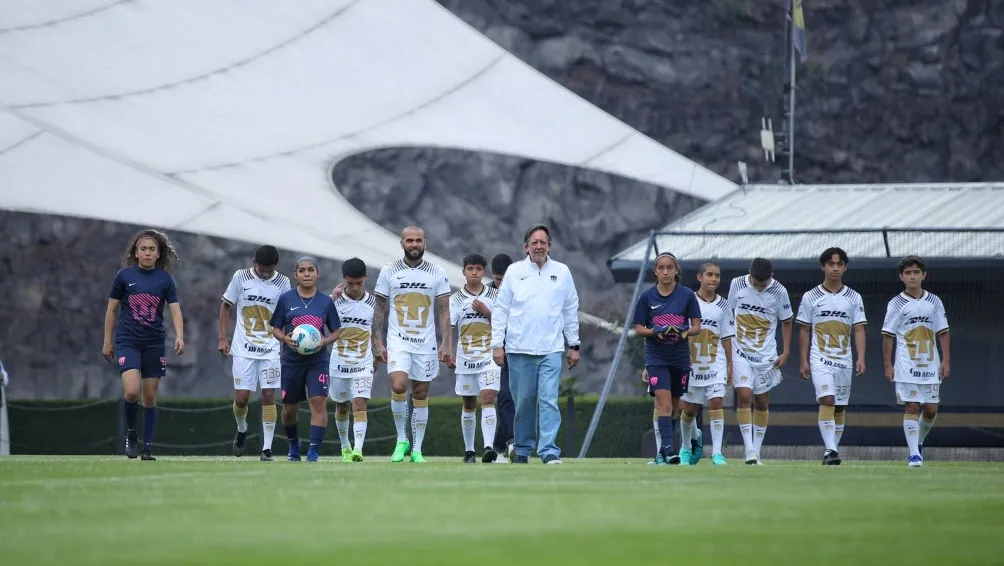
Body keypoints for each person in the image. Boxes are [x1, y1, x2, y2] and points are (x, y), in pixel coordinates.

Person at [492, 224, 580, 465]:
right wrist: (497, 344)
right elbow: (501, 310)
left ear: (549, 246)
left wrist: (574, 344)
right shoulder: (514, 271)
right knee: (524, 402)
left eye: (543, 242)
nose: (539, 246)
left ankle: (549, 450)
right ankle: (522, 450)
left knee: (550, 400)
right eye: (534, 242)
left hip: (551, 348)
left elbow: (570, 309)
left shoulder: (562, 272)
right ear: (526, 247)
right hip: (519, 348)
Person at [102, 229, 185, 461]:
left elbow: (175, 310)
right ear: (136, 253)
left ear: (158, 254)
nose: (147, 253)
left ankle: (147, 447)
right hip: (128, 341)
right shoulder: (124, 276)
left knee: (149, 396)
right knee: (131, 391)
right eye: (143, 249)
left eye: (151, 249)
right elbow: (111, 310)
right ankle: (131, 433)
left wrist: (179, 335)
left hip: (154, 343)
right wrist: (107, 341)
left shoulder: (165, 279)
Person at [372, 226, 452, 463]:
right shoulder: (389, 271)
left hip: (425, 343)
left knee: (420, 392)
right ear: (402, 244)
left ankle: (417, 449)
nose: (414, 244)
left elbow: (445, 310)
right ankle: (401, 439)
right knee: (398, 385)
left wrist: (447, 343)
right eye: (410, 240)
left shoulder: (436, 271)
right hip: (398, 341)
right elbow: (379, 308)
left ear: (424, 242)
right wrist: (377, 340)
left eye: (418, 240)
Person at [218, 245, 291, 462]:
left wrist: (284, 345)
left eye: (270, 269)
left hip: (270, 349)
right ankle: (242, 429)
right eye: (262, 268)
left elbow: (286, 315)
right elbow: (225, 306)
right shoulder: (240, 277)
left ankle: (267, 448)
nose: (266, 273)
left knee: (269, 395)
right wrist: (223, 338)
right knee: (241, 400)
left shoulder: (283, 282)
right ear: (253, 262)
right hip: (243, 349)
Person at [797, 247, 867, 466]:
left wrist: (861, 357)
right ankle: (830, 449)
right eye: (831, 264)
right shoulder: (811, 297)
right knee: (827, 399)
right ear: (823, 267)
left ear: (845, 267)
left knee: (840, 406)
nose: (835, 268)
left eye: (839, 264)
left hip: (844, 360)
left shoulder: (854, 297)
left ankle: (831, 453)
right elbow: (804, 329)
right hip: (820, 358)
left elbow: (858, 329)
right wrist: (803, 361)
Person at [632, 253, 702, 465]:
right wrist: (655, 332)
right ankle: (669, 451)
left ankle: (694, 438)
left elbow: (697, 327)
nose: (665, 272)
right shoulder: (647, 297)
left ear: (676, 271)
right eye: (661, 268)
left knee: (677, 406)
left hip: (679, 358)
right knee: (663, 404)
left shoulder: (687, 295)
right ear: (655, 271)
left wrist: (683, 332)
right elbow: (639, 328)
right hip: (656, 358)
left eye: (669, 268)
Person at [269, 257, 341, 462]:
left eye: (311, 270)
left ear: (317, 274)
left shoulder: (325, 302)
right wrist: (284, 338)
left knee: (318, 402)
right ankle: (293, 444)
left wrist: (324, 342)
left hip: (317, 361)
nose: (307, 274)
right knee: (289, 408)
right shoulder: (286, 299)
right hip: (291, 360)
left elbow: (336, 330)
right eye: (302, 270)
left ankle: (313, 451)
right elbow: (275, 328)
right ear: (296, 275)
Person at [881, 255, 950, 467]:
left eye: (916, 272)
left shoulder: (934, 301)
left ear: (923, 275)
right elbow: (887, 335)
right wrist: (888, 365)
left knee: (930, 409)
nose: (912, 276)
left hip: (930, 364)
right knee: (911, 406)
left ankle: (918, 442)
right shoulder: (896, 303)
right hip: (906, 364)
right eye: (908, 273)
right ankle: (914, 455)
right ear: (902, 276)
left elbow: (944, 332)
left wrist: (946, 360)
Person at [727, 257, 793, 466]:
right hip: (740, 351)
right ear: (749, 273)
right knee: (744, 396)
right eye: (755, 282)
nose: (757, 286)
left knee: (762, 401)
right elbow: (728, 314)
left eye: (761, 284)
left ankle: (757, 449)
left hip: (766, 355)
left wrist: (786, 351)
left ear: (770, 278)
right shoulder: (736, 284)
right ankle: (750, 451)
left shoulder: (779, 291)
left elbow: (787, 321)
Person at [677, 261, 733, 466]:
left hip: (715, 362)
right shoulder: (687, 300)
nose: (714, 279)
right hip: (691, 364)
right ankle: (685, 447)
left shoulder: (724, 305)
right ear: (700, 277)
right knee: (689, 409)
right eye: (710, 274)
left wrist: (730, 364)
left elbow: (727, 337)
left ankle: (717, 453)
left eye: (717, 275)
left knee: (716, 402)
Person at [448, 253, 502, 463]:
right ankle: (470, 451)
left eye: (478, 269)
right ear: (463, 272)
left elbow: (502, 324)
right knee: (469, 403)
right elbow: (449, 327)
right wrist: (448, 350)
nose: (474, 273)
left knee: (488, 397)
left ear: (484, 272)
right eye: (470, 269)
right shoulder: (456, 299)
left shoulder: (495, 296)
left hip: (489, 357)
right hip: (466, 357)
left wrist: (486, 311)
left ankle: (488, 447)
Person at [327, 258, 377, 462]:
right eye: (350, 283)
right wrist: (330, 299)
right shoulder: (334, 301)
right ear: (344, 280)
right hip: (339, 361)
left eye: (359, 283)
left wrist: (379, 350)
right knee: (342, 406)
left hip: (363, 362)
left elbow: (378, 330)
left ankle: (358, 449)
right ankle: (345, 446)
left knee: (359, 403)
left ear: (365, 279)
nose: (355, 288)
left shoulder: (374, 303)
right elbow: (316, 323)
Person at [488, 253, 515, 462]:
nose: (500, 283)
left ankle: (497, 448)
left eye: (503, 279)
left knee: (510, 396)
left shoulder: (519, 289)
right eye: (497, 279)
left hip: (516, 348)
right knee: (503, 396)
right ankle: (511, 443)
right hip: (493, 352)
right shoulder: (487, 291)